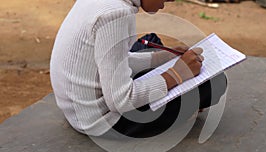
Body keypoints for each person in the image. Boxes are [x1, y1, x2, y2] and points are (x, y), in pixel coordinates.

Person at [50, 0, 227, 138]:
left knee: (152, 42)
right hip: (102, 122)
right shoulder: (115, 14)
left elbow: (114, 60)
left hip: (79, 108)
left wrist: (161, 58)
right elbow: (121, 101)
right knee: (213, 83)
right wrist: (177, 75)